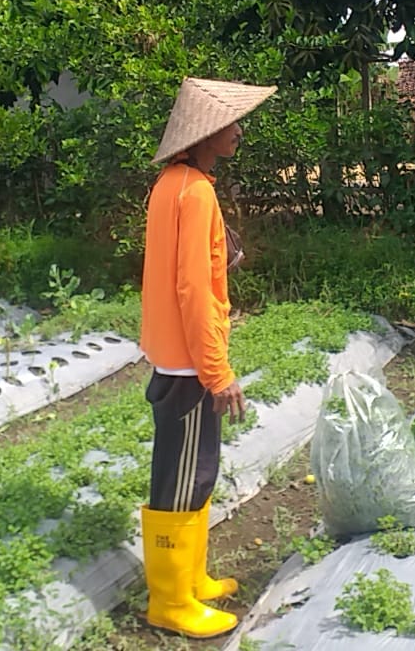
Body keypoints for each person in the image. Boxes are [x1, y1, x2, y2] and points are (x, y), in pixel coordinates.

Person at [138, 76, 275, 638]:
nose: (240, 132)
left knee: (195, 472)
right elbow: (193, 289)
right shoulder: (195, 193)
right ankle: (170, 601)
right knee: (181, 479)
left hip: (176, 355)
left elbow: (188, 272)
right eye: (233, 125)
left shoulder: (172, 183)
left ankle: (190, 579)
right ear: (207, 134)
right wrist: (217, 374)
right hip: (189, 365)